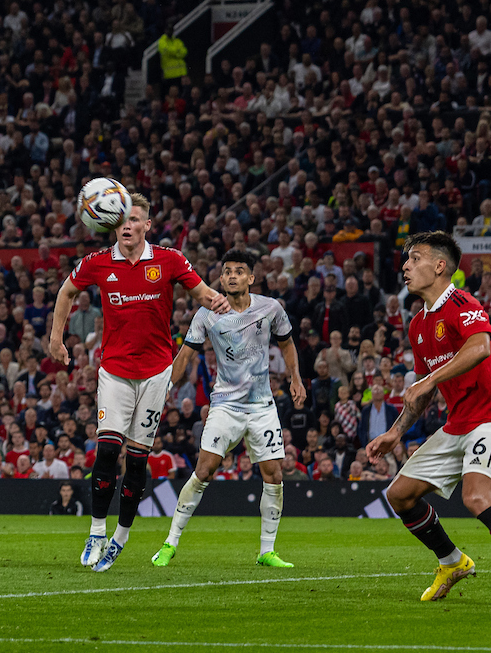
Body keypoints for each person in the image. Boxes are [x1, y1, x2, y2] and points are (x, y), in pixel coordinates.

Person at [368, 232, 491, 609]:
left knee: (476, 497)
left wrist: (429, 379)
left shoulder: (461, 302)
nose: (405, 266)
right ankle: (452, 561)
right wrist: (394, 433)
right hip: (458, 424)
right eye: (406, 260)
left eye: (416, 258)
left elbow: (480, 347)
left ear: (440, 266)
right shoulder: (417, 326)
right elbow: (423, 393)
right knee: (399, 495)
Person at [48, 191, 228, 572]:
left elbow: (201, 291)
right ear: (113, 223)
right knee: (108, 451)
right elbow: (66, 291)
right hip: (114, 371)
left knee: (136, 461)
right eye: (122, 220)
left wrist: (219, 301)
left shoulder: (168, 259)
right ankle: (97, 531)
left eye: (135, 220)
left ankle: (121, 536)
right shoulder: (98, 263)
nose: (127, 226)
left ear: (147, 225)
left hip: (156, 373)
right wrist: (55, 338)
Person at [152, 249, 307, 568]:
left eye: (239, 271)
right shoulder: (207, 313)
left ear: (252, 278)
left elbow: (287, 342)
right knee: (204, 469)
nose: (232, 276)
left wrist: (296, 378)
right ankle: (170, 543)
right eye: (227, 271)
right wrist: (165, 387)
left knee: (274, 473)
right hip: (225, 405)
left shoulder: (271, 308)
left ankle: (267, 551)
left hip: (262, 405)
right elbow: (186, 355)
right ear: (220, 279)